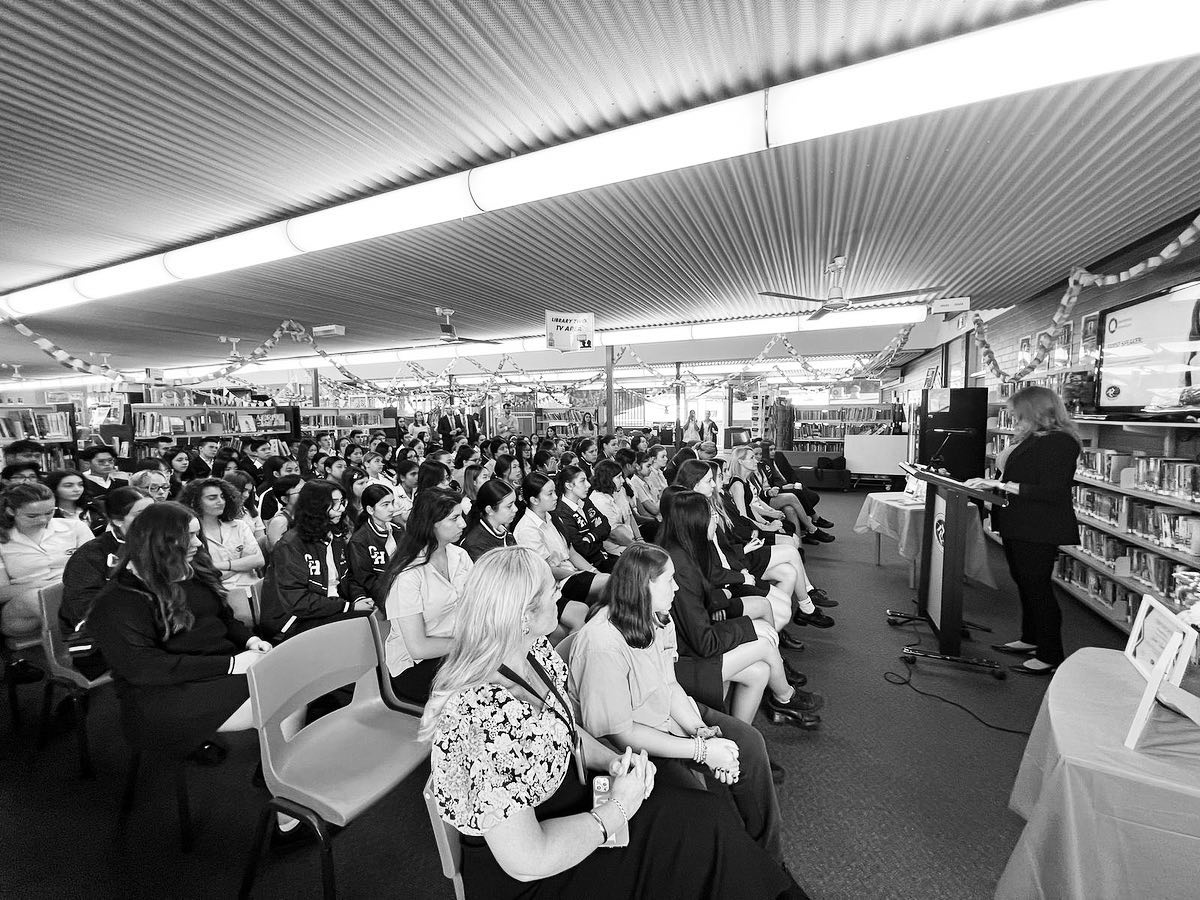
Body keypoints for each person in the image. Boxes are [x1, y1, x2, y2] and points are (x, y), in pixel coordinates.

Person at [421, 546, 803, 900]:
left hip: (566, 802)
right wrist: (616, 809)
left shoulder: (533, 651)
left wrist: (609, 761)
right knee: (698, 839)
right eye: (548, 588)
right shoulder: (482, 716)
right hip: (537, 872)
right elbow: (527, 861)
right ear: (522, 614)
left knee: (706, 815)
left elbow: (566, 728)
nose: (559, 590)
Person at [568, 543, 786, 856]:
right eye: (669, 580)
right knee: (705, 810)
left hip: (664, 716)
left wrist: (701, 731)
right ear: (644, 586)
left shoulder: (658, 617)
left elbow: (669, 685)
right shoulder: (601, 643)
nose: (676, 586)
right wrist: (701, 751)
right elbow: (620, 732)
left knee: (749, 743)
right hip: (625, 746)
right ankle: (740, 862)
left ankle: (768, 858)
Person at [88, 502, 274, 758]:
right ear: (159, 542)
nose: (198, 543)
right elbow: (145, 669)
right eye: (189, 536)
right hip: (161, 692)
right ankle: (280, 775)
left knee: (288, 682)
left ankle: (278, 772)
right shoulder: (118, 601)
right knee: (283, 694)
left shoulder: (191, 571)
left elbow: (224, 619)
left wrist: (251, 640)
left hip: (210, 668)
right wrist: (232, 664)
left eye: (197, 534)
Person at [657, 490, 820, 729]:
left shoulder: (684, 551)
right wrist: (746, 630)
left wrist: (719, 605)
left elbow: (698, 604)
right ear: (696, 521)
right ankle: (785, 697)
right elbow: (703, 641)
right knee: (763, 641)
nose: (716, 519)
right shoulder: (682, 566)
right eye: (711, 514)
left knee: (759, 671)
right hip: (679, 658)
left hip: (690, 642)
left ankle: (742, 739)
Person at [966, 385, 1082, 675]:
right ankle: (1030, 638)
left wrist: (1000, 485)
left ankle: (1050, 654)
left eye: (1019, 413)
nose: (1015, 419)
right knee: (1024, 582)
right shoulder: (1036, 438)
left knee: (1038, 588)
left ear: (1035, 411)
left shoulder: (1060, 442)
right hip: (1020, 523)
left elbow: (1053, 491)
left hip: (1038, 526)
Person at [380, 490, 471, 704]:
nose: (463, 524)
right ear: (432, 523)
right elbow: (418, 647)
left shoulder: (459, 556)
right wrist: (472, 644)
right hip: (416, 666)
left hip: (455, 650)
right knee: (489, 687)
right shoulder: (408, 576)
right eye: (455, 518)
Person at [0, 482, 95, 681]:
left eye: (50, 512)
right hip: (22, 613)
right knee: (40, 597)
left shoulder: (74, 527)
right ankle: (87, 656)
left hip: (75, 598)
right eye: (32, 516)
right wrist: (46, 585)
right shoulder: (3, 540)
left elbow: (96, 568)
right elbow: (2, 592)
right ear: (10, 511)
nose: (43, 520)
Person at [60, 486, 154, 678]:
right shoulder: (92, 555)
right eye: (141, 514)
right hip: (102, 636)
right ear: (118, 520)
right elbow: (87, 609)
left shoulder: (163, 543)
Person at [259, 480, 370, 640]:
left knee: (376, 614)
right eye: (334, 503)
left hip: (329, 608)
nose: (341, 509)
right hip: (293, 621)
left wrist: (359, 598)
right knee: (366, 624)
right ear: (315, 507)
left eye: (341, 502)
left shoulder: (335, 536)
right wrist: (348, 606)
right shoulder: (290, 545)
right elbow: (298, 600)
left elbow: (348, 577)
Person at [179, 478, 265, 625]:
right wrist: (241, 563)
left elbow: (258, 561)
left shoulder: (239, 526)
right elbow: (204, 574)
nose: (220, 501)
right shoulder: (191, 533)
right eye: (212, 498)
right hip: (221, 594)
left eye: (223, 496)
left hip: (254, 588)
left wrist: (217, 565)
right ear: (194, 502)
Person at [551, 465, 616, 574]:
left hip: (603, 556)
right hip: (589, 566)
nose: (588, 485)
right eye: (582, 481)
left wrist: (590, 536)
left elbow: (605, 525)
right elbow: (582, 549)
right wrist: (597, 533)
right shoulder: (562, 513)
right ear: (569, 485)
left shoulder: (585, 501)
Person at [347, 484, 403, 607]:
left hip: (404, 588)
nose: (392, 509)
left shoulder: (398, 530)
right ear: (370, 510)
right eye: (385, 505)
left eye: (392, 503)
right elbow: (365, 579)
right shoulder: (359, 541)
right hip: (383, 597)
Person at [758, 440, 831, 528]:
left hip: (789, 484)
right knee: (798, 496)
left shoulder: (779, 456)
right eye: (770, 450)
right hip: (778, 489)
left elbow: (791, 472)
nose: (773, 452)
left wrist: (797, 483)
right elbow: (770, 484)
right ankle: (813, 520)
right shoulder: (764, 465)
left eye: (774, 449)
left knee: (813, 497)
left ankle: (806, 523)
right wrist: (783, 487)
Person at [589, 459, 641, 556]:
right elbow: (614, 534)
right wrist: (637, 546)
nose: (622, 480)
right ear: (607, 479)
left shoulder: (618, 490)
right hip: (616, 549)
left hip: (631, 541)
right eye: (619, 477)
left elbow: (630, 516)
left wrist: (639, 539)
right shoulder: (600, 501)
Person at [459, 479, 518, 561]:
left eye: (514, 503)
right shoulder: (476, 545)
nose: (515, 509)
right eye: (509, 506)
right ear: (490, 510)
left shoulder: (506, 534)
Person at [45, 469, 106, 535]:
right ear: (54, 488)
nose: (77, 489)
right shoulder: (46, 512)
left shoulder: (94, 507)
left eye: (80, 485)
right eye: (68, 486)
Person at [263, 475, 304, 550]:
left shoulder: (306, 515)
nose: (307, 494)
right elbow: (278, 553)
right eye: (301, 491)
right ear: (285, 499)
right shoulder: (279, 522)